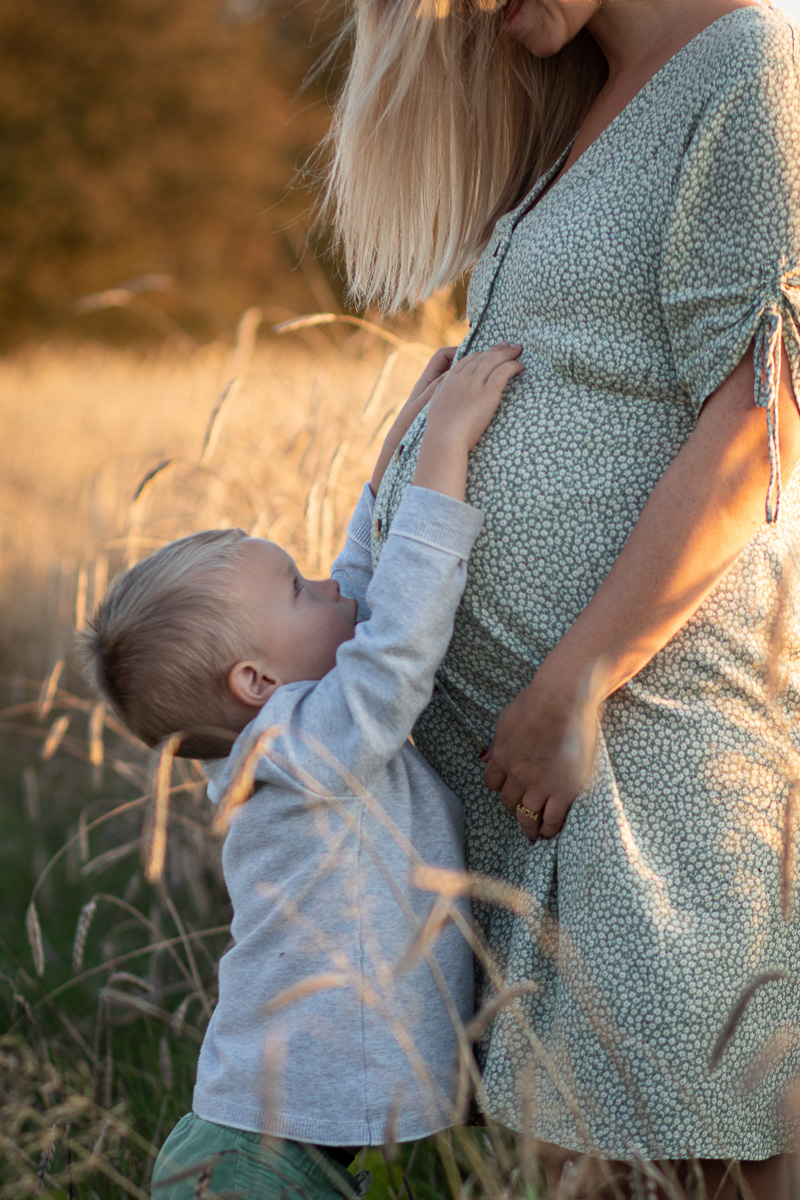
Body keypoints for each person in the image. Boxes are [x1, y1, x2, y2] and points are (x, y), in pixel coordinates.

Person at [325, 0, 800, 1195]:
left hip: (640, 739)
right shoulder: (595, 93)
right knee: (573, 1161)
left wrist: (576, 679)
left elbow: (763, 410)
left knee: (670, 1147)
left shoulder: (749, 62)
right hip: (545, 763)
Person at [82, 343, 524, 1199]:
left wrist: (402, 441)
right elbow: (396, 646)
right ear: (256, 685)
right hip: (252, 1166)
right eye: (296, 588)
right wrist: (446, 453)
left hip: (265, 1149)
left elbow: (359, 582)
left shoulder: (294, 731)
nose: (326, 585)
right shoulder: (300, 751)